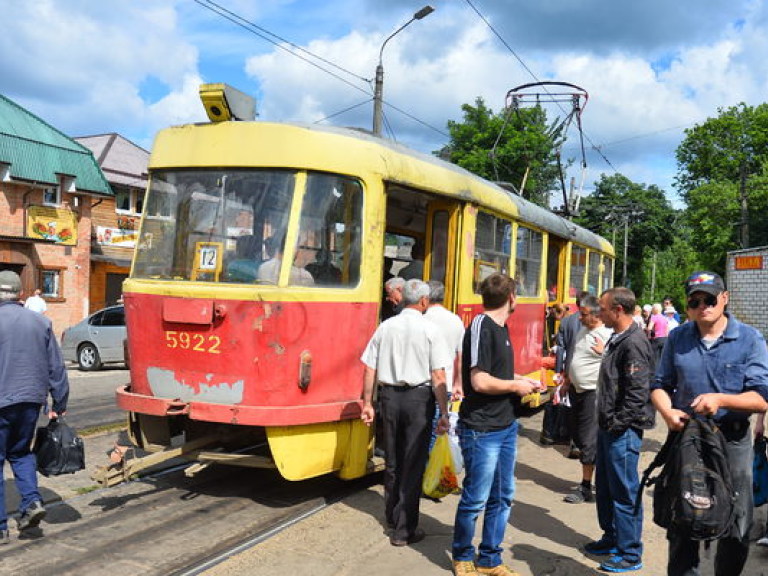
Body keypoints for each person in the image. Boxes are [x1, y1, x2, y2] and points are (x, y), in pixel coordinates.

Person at [651, 271, 768, 576]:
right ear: (687, 306)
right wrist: (667, 412)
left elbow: (761, 398)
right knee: (684, 516)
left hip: (733, 443)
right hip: (688, 439)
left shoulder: (749, 339)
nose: (703, 305)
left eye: (710, 299)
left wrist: (721, 399)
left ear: (724, 299)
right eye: (695, 301)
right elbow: (659, 384)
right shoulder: (678, 337)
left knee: (736, 523)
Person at [451, 273, 543, 576]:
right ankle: (463, 556)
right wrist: (514, 388)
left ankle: (489, 558)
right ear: (512, 297)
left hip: (505, 426)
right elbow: (479, 380)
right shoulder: (481, 325)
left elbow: (497, 373)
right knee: (476, 498)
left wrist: (521, 379)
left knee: (502, 497)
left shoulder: (502, 328)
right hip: (481, 429)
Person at [360, 279, 451, 547]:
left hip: (389, 398)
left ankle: (391, 515)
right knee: (412, 463)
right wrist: (444, 412)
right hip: (418, 400)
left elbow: (369, 369)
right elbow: (438, 374)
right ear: (423, 301)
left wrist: (368, 402)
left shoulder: (385, 327)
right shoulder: (430, 329)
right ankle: (403, 530)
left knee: (393, 459)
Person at [585, 286, 655, 573]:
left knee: (625, 492)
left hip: (621, 431)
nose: (598, 313)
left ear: (618, 310)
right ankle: (612, 537)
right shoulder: (618, 337)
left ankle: (630, 553)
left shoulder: (634, 342)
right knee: (606, 488)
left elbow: (637, 394)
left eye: (602, 308)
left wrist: (616, 423)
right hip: (608, 427)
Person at [0, 271, 69, 544]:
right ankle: (31, 503)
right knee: (20, 453)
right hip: (30, 401)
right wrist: (59, 403)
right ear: (20, 294)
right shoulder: (41, 322)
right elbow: (57, 367)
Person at [561, 294, 612, 504]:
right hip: (577, 391)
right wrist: (567, 380)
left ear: (596, 314)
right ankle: (598, 481)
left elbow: (617, 364)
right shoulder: (584, 329)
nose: (579, 318)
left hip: (594, 393)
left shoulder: (606, 334)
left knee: (589, 440)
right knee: (579, 437)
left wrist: (605, 353)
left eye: (583, 315)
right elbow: (575, 357)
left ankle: (585, 487)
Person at [424, 280, 465, 451]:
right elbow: (461, 356)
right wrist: (458, 384)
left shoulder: (422, 318)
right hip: (444, 384)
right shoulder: (455, 320)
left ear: (425, 297)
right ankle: (433, 472)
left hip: (422, 384)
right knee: (437, 429)